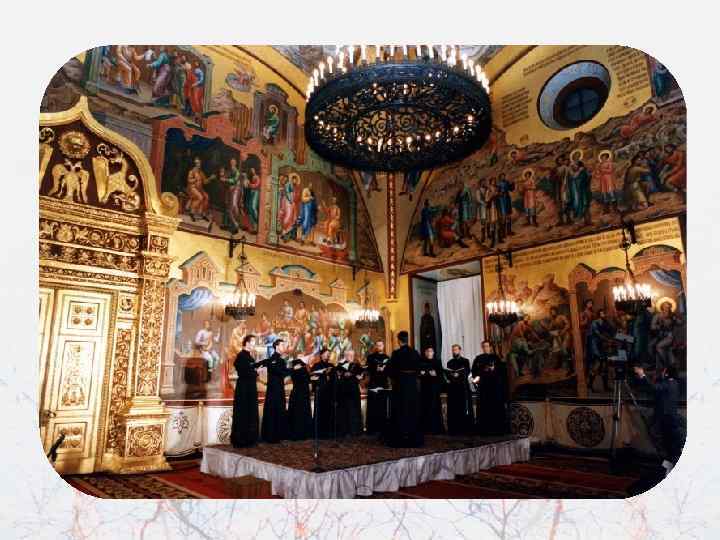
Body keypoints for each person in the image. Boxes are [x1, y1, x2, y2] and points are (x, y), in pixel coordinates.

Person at [633, 365, 684, 476]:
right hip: (670, 419)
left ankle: (671, 469)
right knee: (670, 446)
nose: (662, 373)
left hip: (666, 419)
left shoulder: (667, 384)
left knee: (668, 445)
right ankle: (669, 468)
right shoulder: (674, 383)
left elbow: (653, 388)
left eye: (663, 371)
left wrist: (642, 375)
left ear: (667, 374)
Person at [385, 331, 424, 447]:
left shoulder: (396, 353)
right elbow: (419, 369)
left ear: (399, 341)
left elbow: (390, 370)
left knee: (401, 409)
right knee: (412, 409)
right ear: (407, 340)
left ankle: (400, 437)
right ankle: (414, 437)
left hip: (400, 385)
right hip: (412, 385)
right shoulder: (415, 353)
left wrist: (395, 377)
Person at [472, 341, 509, 436]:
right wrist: (477, 377)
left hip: (494, 387)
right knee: (484, 408)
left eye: (487, 346)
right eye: (484, 346)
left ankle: (497, 429)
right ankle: (484, 429)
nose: (485, 348)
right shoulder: (478, 358)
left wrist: (494, 369)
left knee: (495, 407)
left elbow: (501, 371)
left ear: (490, 347)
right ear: (482, 348)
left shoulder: (496, 358)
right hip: (483, 387)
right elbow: (474, 372)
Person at [230, 335, 261, 447]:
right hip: (244, 388)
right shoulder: (241, 356)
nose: (254, 344)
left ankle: (250, 439)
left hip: (250, 387)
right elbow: (244, 372)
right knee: (243, 411)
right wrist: (255, 371)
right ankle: (242, 439)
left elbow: (250, 371)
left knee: (250, 411)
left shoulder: (249, 356)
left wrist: (256, 370)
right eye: (253, 342)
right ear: (247, 343)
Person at [261, 339, 291, 443]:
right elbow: (279, 372)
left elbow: (283, 372)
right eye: (282, 345)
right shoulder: (272, 359)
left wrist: (290, 371)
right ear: (277, 346)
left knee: (279, 410)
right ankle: (271, 436)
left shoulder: (281, 360)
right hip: (273, 391)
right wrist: (292, 370)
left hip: (279, 389)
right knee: (273, 411)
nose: (284, 347)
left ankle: (278, 435)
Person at [445, 344, 475, 435]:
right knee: (454, 408)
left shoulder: (465, 361)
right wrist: (452, 375)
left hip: (463, 388)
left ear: (459, 350)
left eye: (456, 350)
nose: (454, 351)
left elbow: (467, 372)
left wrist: (459, 374)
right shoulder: (449, 362)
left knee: (464, 407)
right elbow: (448, 374)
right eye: (453, 350)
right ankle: (455, 428)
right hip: (453, 388)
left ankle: (465, 428)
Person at [335, 350, 364, 437]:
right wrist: (343, 374)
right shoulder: (340, 365)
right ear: (345, 356)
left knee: (354, 411)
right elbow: (337, 375)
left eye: (352, 355)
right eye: (348, 355)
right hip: (343, 391)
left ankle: (354, 431)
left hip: (353, 391)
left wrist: (354, 375)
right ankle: (344, 431)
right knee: (344, 411)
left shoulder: (357, 365)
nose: (350, 357)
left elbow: (361, 376)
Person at [365, 340, 390, 435]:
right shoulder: (371, 357)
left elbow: (390, 370)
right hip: (373, 383)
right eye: (378, 345)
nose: (379, 347)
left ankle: (382, 428)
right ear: (376, 346)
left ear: (383, 346)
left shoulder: (387, 358)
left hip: (383, 384)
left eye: (381, 345)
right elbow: (367, 369)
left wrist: (384, 369)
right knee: (373, 407)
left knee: (382, 406)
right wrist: (376, 368)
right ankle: (372, 429)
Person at [419, 347, 445, 434]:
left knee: (434, 407)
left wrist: (435, 374)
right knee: (425, 407)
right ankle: (425, 428)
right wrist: (421, 373)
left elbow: (441, 375)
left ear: (433, 353)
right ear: (425, 353)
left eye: (430, 351)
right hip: (424, 388)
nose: (429, 353)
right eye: (427, 351)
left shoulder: (437, 362)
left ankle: (435, 428)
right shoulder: (422, 362)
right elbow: (418, 373)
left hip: (434, 389)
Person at [309, 348, 335, 439]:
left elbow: (334, 379)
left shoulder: (331, 365)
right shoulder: (316, 365)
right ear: (321, 355)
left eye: (329, 354)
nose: (328, 355)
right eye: (326, 354)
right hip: (320, 392)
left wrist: (330, 375)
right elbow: (312, 377)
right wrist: (323, 374)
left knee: (329, 412)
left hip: (329, 393)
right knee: (320, 412)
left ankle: (329, 433)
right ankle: (319, 433)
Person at [287, 355, 313, 440]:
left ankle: (294, 433)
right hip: (304, 394)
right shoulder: (304, 370)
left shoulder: (292, 370)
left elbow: (287, 379)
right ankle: (304, 433)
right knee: (303, 413)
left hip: (295, 394)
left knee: (295, 414)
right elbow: (310, 385)